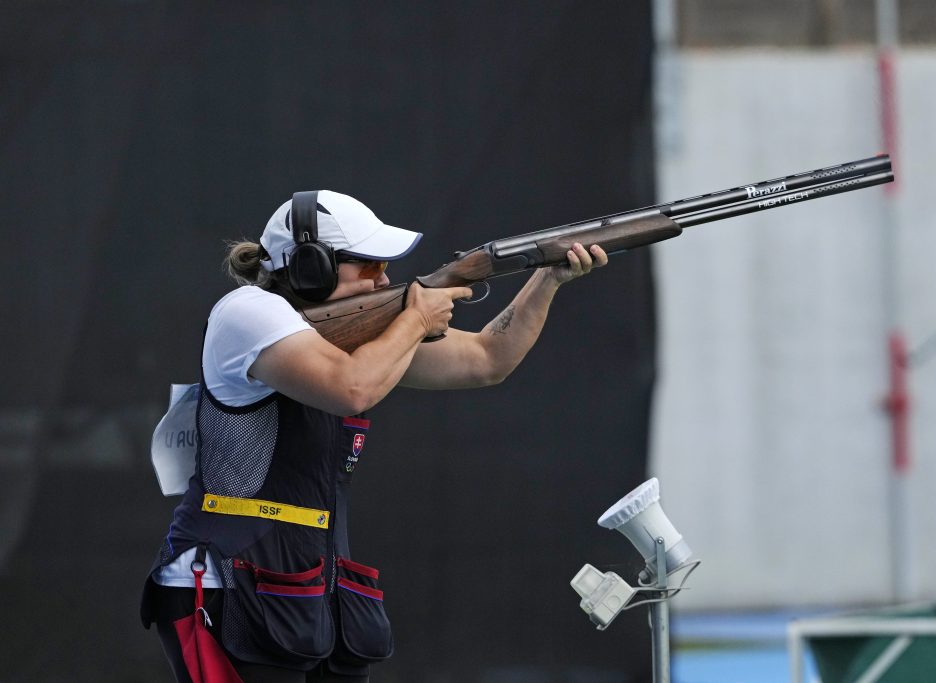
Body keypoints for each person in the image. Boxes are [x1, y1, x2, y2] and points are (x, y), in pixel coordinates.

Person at [140, 190, 607, 682]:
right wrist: (415, 319)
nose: (383, 280)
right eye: (368, 267)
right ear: (309, 267)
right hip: (227, 579)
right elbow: (352, 389)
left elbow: (488, 359)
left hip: (309, 586)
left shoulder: (362, 333)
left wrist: (547, 277)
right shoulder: (246, 310)